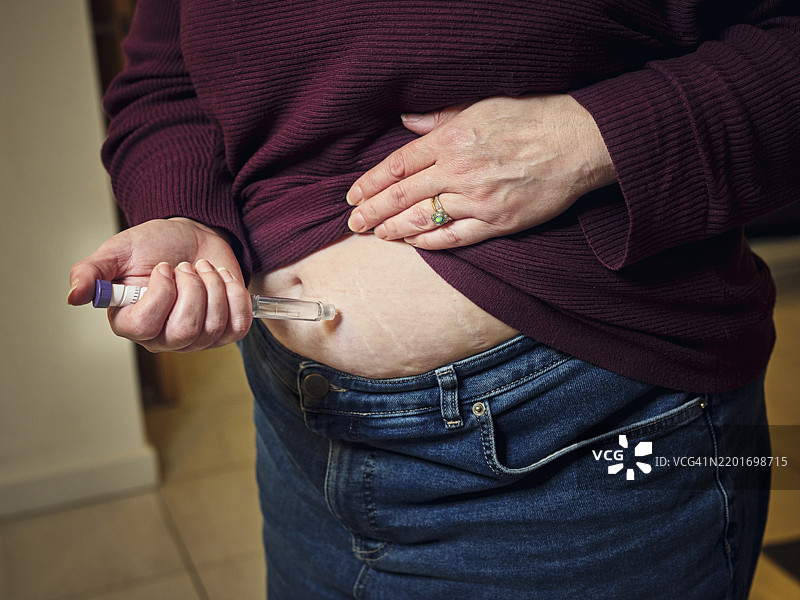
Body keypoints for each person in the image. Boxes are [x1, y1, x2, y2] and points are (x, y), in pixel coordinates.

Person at [68, 1, 799, 598]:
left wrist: (590, 138)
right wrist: (181, 211)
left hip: (587, 439)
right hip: (300, 444)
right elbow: (166, 82)